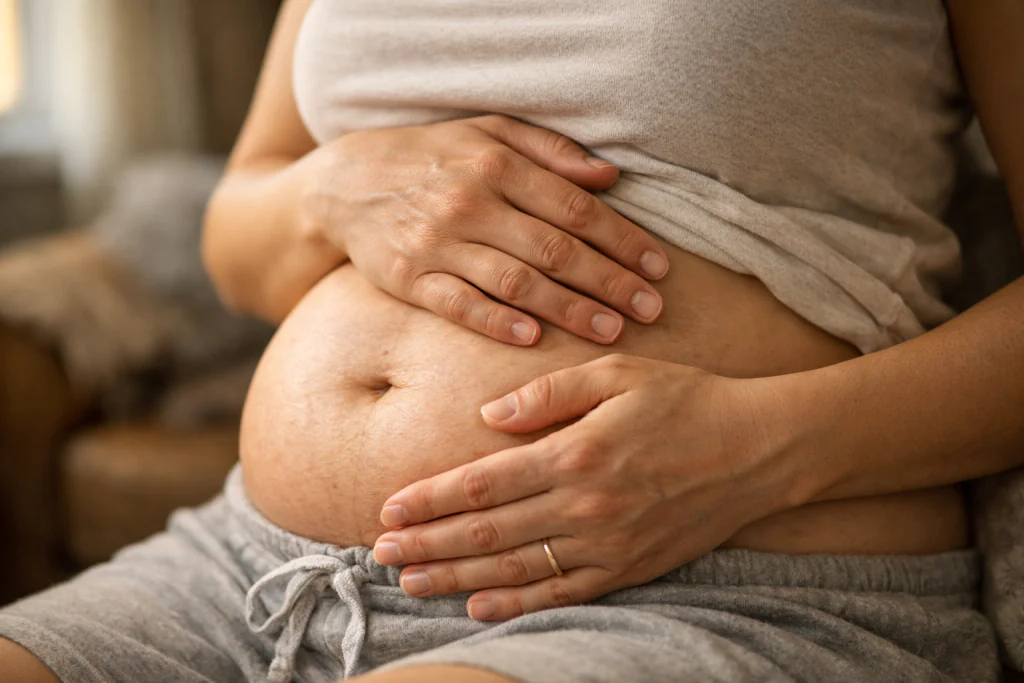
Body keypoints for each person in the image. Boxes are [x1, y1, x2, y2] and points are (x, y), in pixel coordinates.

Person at [2, 1, 1023, 681]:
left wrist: (759, 445)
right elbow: (239, 233)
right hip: (246, 571)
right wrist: (331, 187)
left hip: (709, 594)